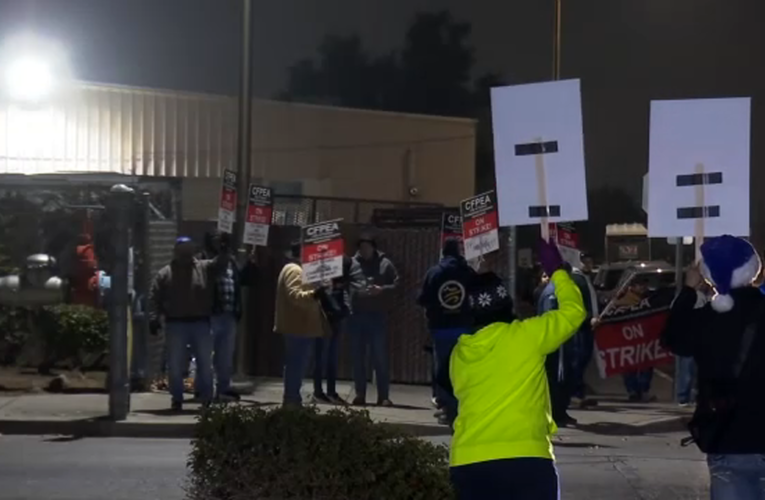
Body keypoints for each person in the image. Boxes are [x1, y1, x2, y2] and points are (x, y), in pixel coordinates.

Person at [448, 239, 586, 499]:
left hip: (468, 461)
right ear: (507, 306)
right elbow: (574, 313)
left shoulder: (460, 353)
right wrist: (557, 270)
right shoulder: (526, 337)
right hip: (526, 459)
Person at [661, 235, 765, 499]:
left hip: (729, 437)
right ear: (755, 268)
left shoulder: (707, 320)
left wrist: (688, 291)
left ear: (706, 275)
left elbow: (673, 339)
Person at [149, 236, 228, 411]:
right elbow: (154, 297)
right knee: (175, 365)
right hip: (175, 324)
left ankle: (206, 398)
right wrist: (154, 317)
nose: (185, 252)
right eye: (182, 249)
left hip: (201, 323)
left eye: (188, 249)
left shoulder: (204, 268)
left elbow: (220, 265)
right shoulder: (165, 273)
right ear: (176, 251)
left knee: (205, 364)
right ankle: (177, 399)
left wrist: (224, 250)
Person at [417, 238, 475, 426]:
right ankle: (461, 406)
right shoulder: (467, 272)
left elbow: (423, 298)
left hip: (441, 328)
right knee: (461, 369)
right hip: (463, 328)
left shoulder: (434, 273)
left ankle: (447, 409)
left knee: (442, 368)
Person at [196, 230, 253, 402]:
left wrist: (250, 263)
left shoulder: (231, 261)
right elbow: (210, 271)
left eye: (222, 240)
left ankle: (223, 388)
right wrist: (223, 253)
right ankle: (203, 389)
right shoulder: (203, 259)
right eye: (216, 239)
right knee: (206, 355)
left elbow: (242, 280)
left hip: (229, 315)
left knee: (225, 356)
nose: (219, 243)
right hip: (211, 314)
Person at [274, 240, 326, 407]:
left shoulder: (298, 270)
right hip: (297, 326)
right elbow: (295, 295)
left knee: (296, 364)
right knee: (296, 365)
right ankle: (291, 400)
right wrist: (315, 293)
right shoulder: (294, 270)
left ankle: (292, 398)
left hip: (300, 326)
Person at [349, 234, 399, 407]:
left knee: (380, 357)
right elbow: (343, 286)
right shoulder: (352, 264)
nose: (364, 251)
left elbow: (397, 285)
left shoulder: (386, 264)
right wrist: (354, 294)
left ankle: (383, 396)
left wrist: (382, 289)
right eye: (361, 247)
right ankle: (360, 395)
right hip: (357, 316)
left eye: (367, 247)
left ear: (373, 247)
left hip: (378, 316)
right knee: (358, 358)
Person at [312, 255, 359, 405]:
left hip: (336, 318)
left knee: (331, 357)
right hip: (323, 318)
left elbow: (346, 289)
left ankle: (330, 392)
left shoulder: (343, 266)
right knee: (321, 357)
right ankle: (318, 392)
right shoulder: (318, 271)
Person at [537, 263, 578, 427]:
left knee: (562, 378)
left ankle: (560, 412)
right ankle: (556, 414)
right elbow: (552, 318)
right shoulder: (552, 292)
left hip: (559, 343)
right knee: (557, 379)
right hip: (556, 345)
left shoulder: (556, 290)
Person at [617, 277, 656, 402]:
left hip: (645, 339)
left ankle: (643, 390)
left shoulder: (648, 300)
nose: (642, 288)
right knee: (630, 366)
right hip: (629, 339)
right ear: (631, 287)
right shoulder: (624, 301)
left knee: (646, 365)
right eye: (639, 285)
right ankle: (633, 391)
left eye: (644, 285)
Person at [569, 265, 600, 408]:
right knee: (577, 359)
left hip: (586, 325)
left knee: (582, 359)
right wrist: (589, 318)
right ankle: (574, 393)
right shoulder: (575, 279)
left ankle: (578, 392)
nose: (587, 263)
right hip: (580, 326)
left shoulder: (582, 278)